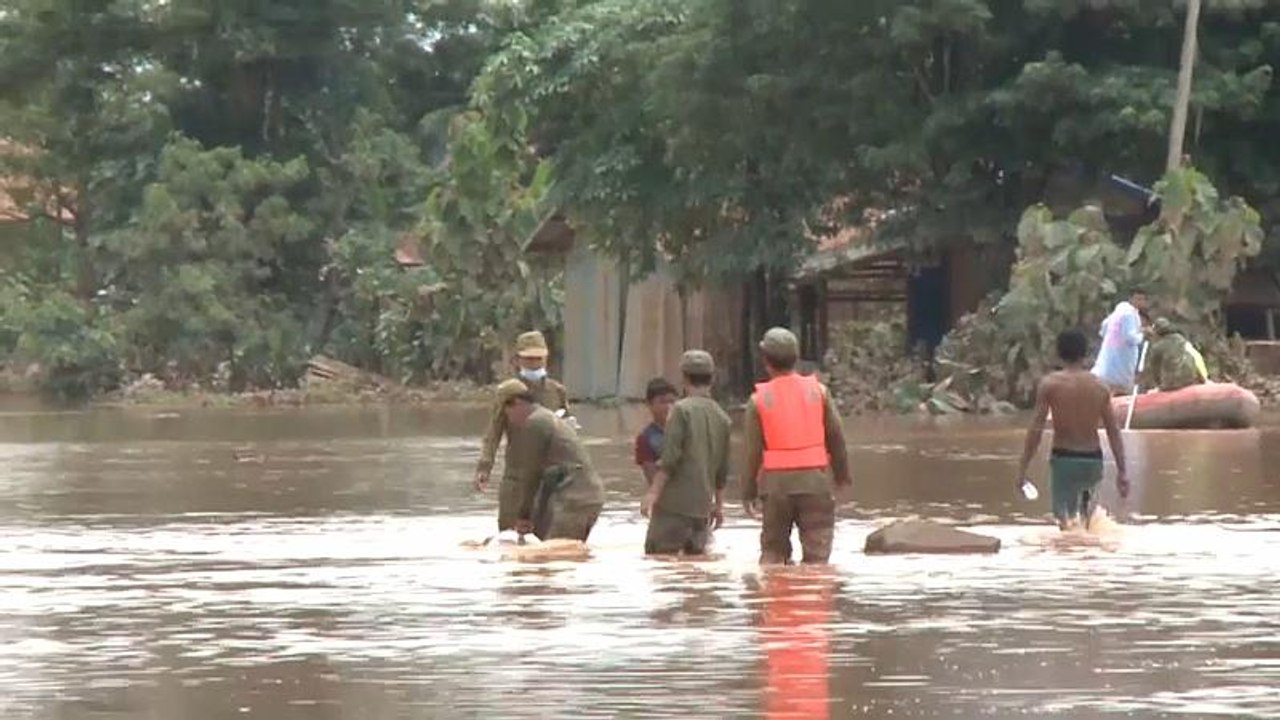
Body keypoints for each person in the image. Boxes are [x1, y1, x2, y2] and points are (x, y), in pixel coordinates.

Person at [741, 328, 852, 565]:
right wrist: (842, 477)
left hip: (776, 488)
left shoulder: (758, 400)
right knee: (818, 559)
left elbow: (752, 453)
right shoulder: (819, 392)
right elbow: (836, 438)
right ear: (796, 358)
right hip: (816, 484)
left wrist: (748, 492)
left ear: (766, 361)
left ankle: (776, 600)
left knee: (773, 555)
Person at [1017, 328, 1130, 531]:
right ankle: (1086, 556)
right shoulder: (1100, 387)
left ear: (1059, 353)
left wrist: (1023, 468)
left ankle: (1070, 556)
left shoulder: (1050, 385)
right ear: (1085, 354)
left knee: (1066, 521)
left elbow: (1036, 429)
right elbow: (1114, 432)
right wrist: (1122, 471)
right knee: (1087, 520)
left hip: (1064, 461)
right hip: (1092, 461)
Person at [473, 330, 570, 533]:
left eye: (538, 359)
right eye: (529, 359)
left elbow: (569, 433)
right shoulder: (507, 392)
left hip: (549, 476)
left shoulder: (557, 392)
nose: (534, 364)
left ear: (546, 358)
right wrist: (484, 467)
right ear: (517, 360)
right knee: (509, 533)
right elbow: (493, 433)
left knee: (548, 536)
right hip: (517, 475)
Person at [640, 351, 732, 556]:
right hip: (702, 510)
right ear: (713, 378)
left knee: (661, 564)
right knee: (696, 570)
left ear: (684, 378)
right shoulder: (722, 417)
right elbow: (722, 471)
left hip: (673, 508)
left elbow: (670, 459)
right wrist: (719, 506)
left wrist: (652, 494)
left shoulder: (680, 410)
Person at [495, 379, 605, 541]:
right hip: (582, 495)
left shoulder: (535, 424)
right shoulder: (546, 417)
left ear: (517, 404)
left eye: (507, 413)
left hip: (575, 498)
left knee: (556, 551)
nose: (508, 420)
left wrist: (523, 516)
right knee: (555, 551)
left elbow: (531, 474)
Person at [1091, 288, 1150, 394]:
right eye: (1137, 299)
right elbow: (1130, 338)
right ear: (1131, 299)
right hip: (1121, 360)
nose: (1139, 302)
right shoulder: (1129, 314)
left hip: (1108, 357)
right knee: (1120, 388)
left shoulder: (1119, 311)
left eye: (1142, 299)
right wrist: (1143, 335)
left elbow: (1104, 328)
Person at [635, 377, 678, 487]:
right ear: (649, 405)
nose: (669, 407)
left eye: (672, 401)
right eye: (662, 402)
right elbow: (652, 479)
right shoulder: (645, 439)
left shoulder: (688, 430)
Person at [1144, 317, 1208, 392]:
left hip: (1170, 384)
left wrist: (1160, 386)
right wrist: (1204, 378)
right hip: (1190, 379)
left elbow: (1155, 371)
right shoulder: (1182, 340)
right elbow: (1197, 357)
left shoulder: (1157, 348)